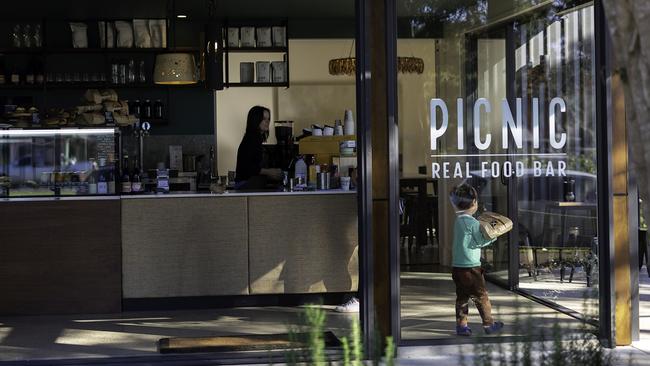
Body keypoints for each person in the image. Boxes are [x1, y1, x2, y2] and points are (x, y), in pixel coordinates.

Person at [450, 183, 504, 336]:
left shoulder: (458, 221)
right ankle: (489, 324)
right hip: (471, 267)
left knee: (462, 297)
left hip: (457, 266)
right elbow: (480, 241)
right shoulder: (472, 223)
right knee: (481, 296)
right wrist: (493, 237)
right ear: (474, 203)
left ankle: (461, 326)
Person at [234, 106, 282, 189]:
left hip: (245, 184)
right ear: (255, 120)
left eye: (268, 119)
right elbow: (247, 167)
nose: (267, 122)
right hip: (245, 185)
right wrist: (269, 172)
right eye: (264, 119)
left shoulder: (254, 138)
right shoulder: (251, 139)